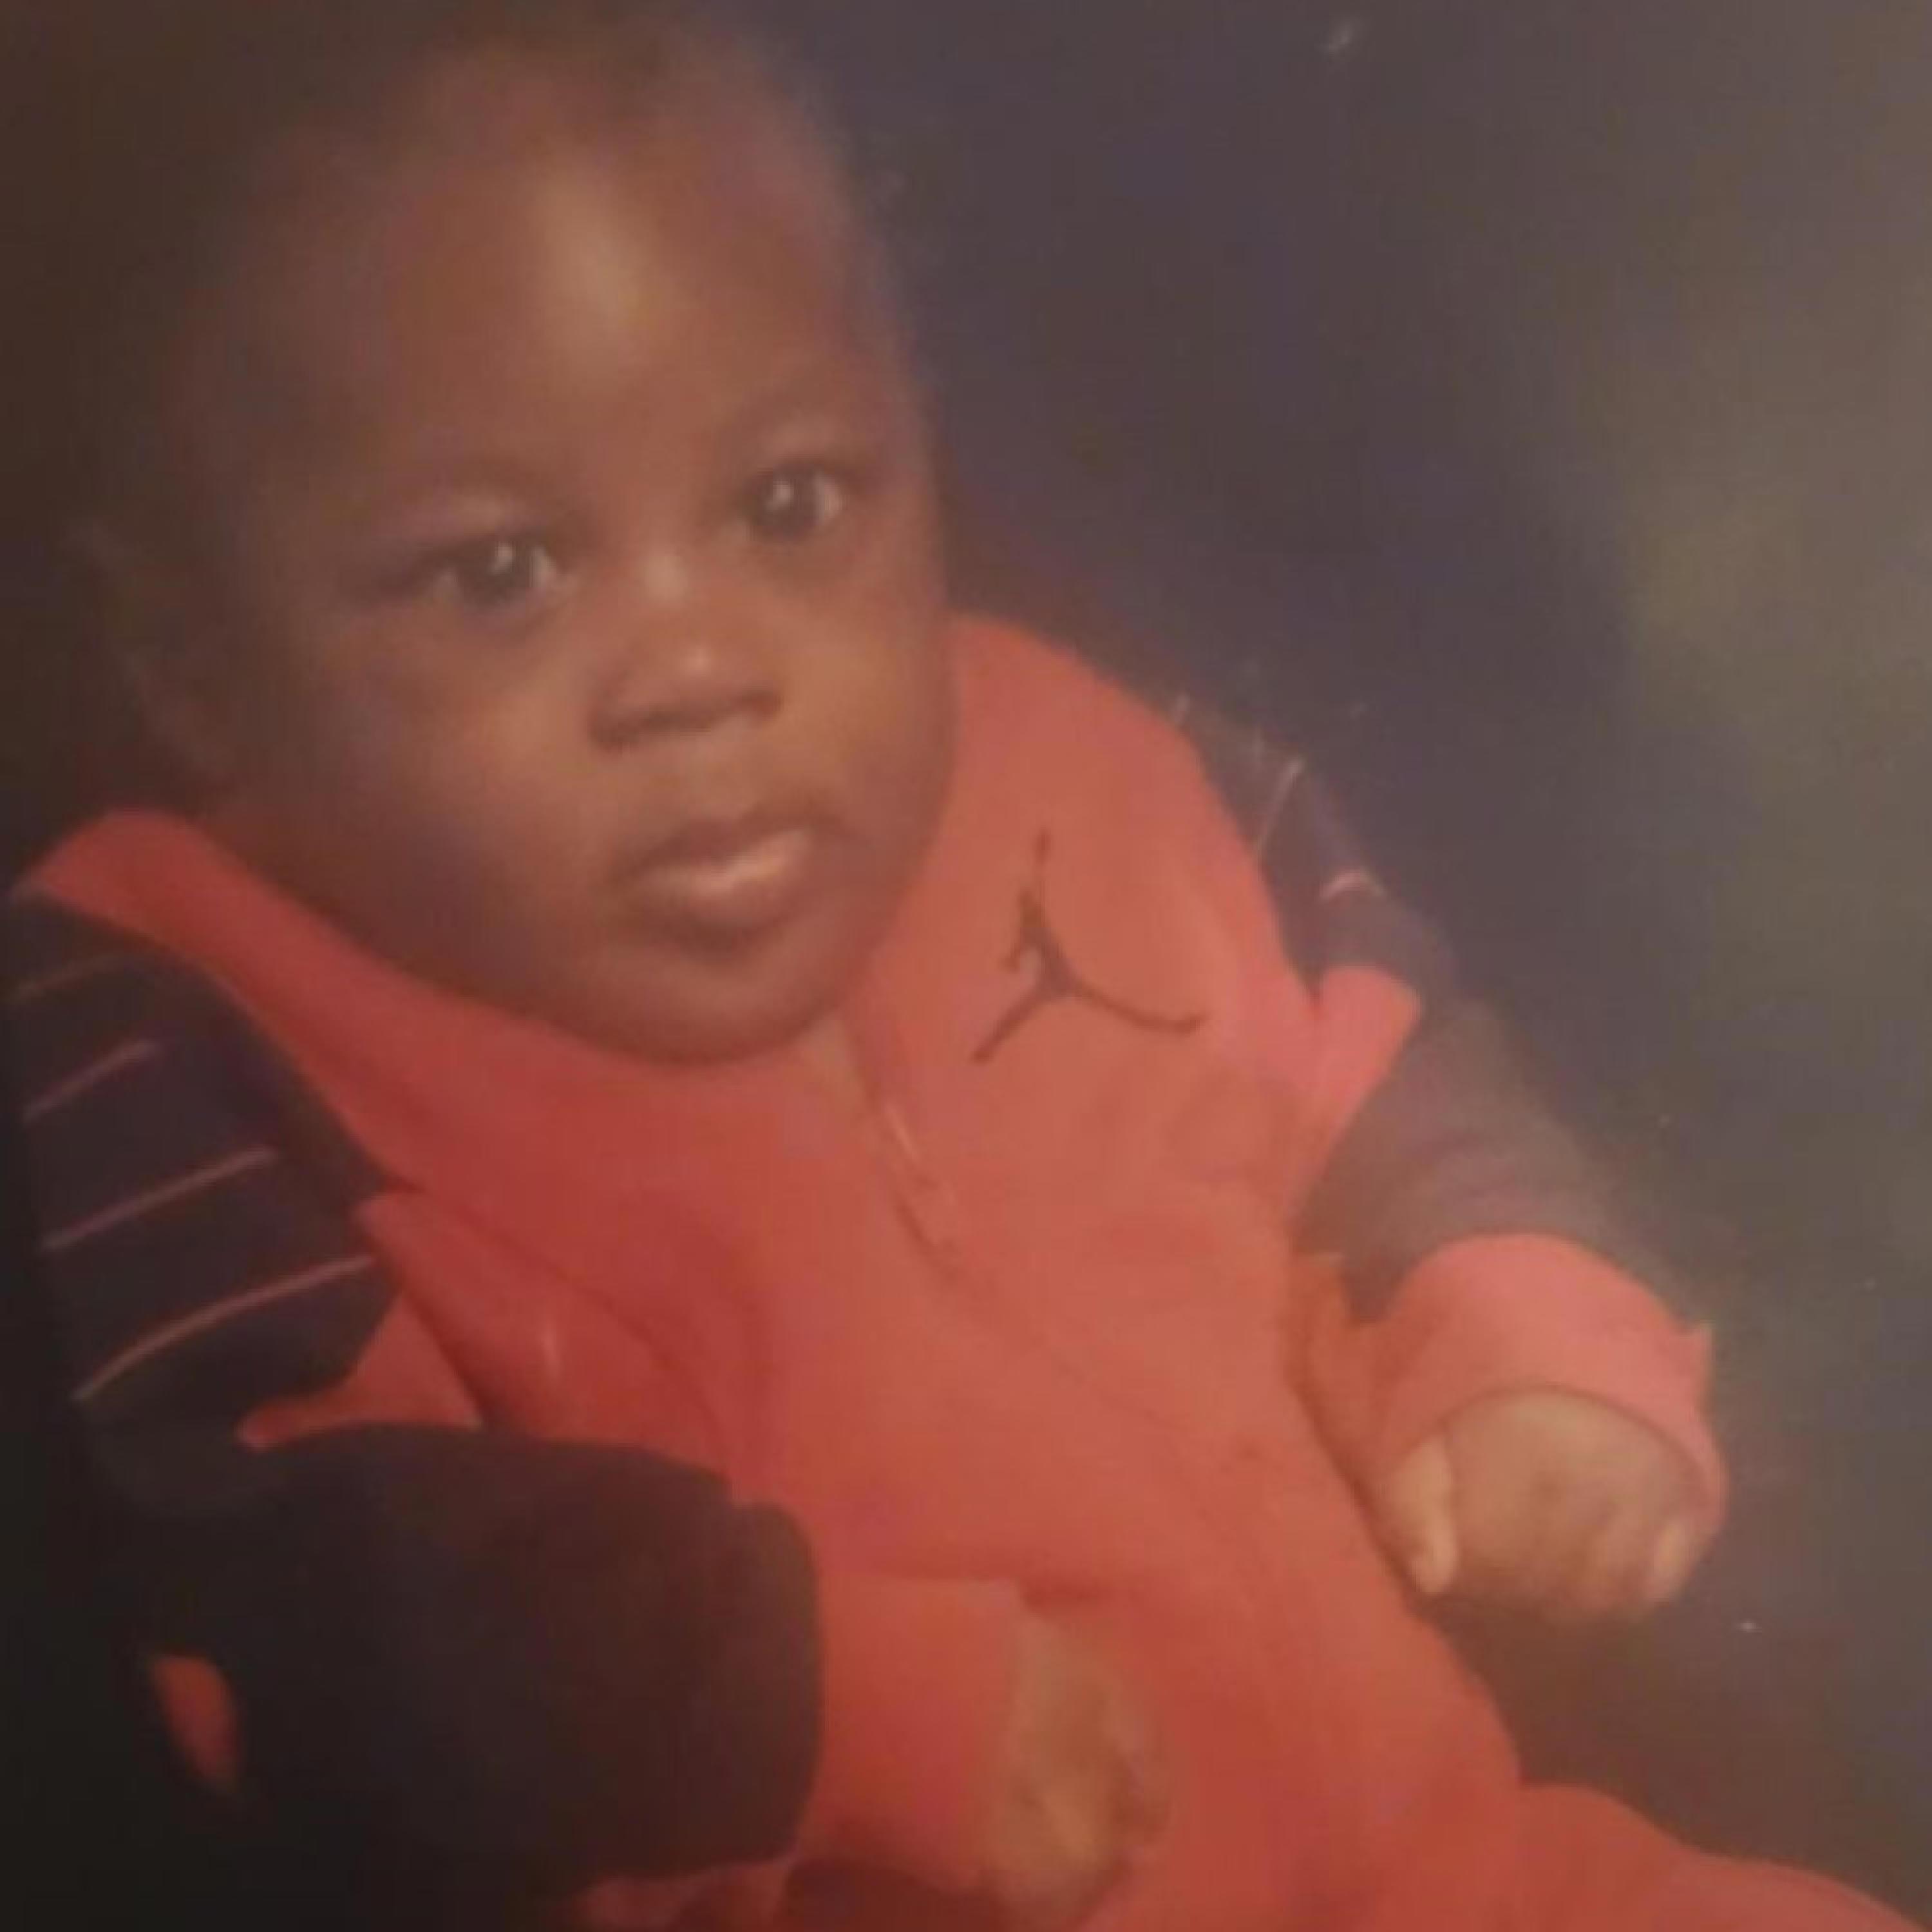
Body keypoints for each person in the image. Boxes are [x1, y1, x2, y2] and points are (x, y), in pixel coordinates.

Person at [0, 2, 1913, 1927]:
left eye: (790, 505)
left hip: (1468, 1870)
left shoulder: (1096, 772)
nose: (702, 670)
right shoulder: (181, 1032)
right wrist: (808, 1702)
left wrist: (1528, 1338)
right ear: (194, 666)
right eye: (502, 572)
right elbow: (280, 1578)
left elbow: (1382, 1081)